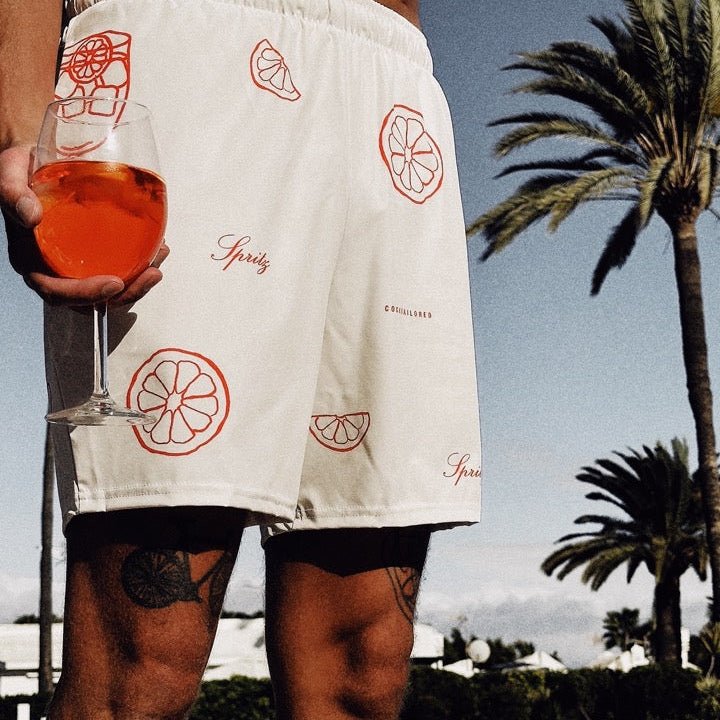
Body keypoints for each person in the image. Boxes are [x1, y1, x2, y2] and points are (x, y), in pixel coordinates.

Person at [0, 0, 482, 717]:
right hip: (195, 45)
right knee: (143, 671)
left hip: (394, 76)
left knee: (364, 670)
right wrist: (22, 124)